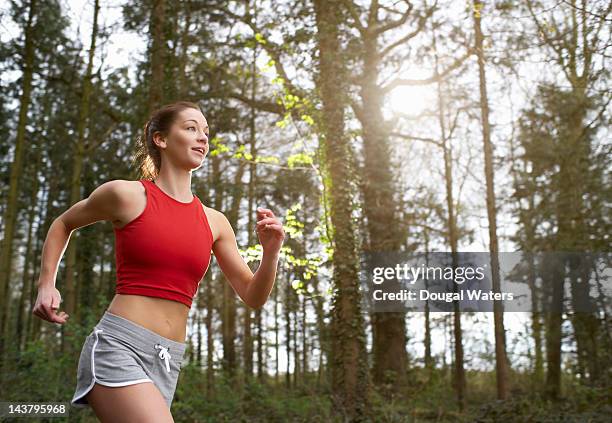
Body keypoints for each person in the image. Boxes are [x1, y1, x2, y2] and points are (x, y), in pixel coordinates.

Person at [32, 100, 285, 422]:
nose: (203, 137)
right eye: (191, 128)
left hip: (168, 359)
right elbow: (63, 224)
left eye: (206, 132)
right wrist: (46, 285)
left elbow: (253, 295)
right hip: (119, 345)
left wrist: (271, 250)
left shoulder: (215, 222)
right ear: (160, 139)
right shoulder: (127, 195)